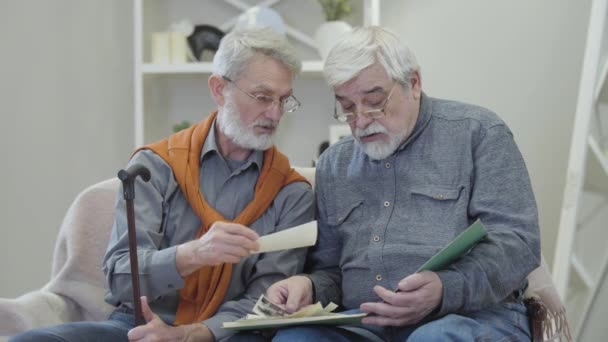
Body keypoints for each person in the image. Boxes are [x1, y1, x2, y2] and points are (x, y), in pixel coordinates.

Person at [10, 27, 314, 342]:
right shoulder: (155, 167)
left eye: (283, 100)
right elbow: (121, 278)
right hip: (134, 327)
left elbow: (268, 305)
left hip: (224, 335)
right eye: (263, 97)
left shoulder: (292, 193)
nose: (275, 113)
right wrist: (194, 254)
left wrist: (188, 334)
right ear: (219, 89)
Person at [267, 26, 541, 341]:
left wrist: (445, 289)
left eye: (374, 101)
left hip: (471, 319)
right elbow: (332, 271)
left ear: (413, 83)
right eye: (347, 108)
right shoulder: (334, 163)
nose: (361, 119)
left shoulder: (479, 133)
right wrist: (309, 286)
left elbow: (519, 244)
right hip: (365, 327)